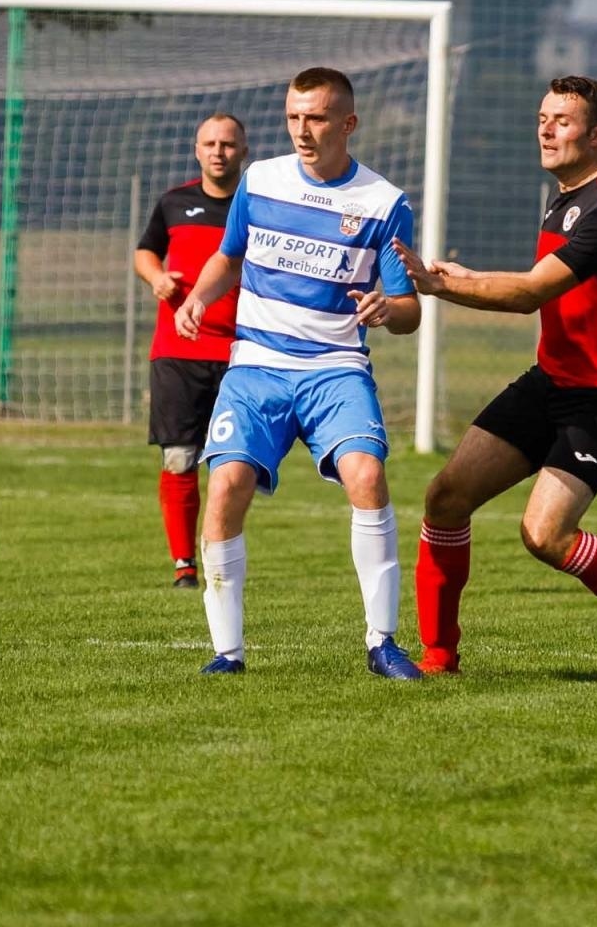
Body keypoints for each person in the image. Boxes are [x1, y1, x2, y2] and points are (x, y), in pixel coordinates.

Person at [391, 74, 597, 682]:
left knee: (544, 534)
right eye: (542, 117)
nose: (546, 128)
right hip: (554, 379)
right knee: (445, 497)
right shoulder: (566, 196)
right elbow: (536, 279)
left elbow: (531, 293)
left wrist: (441, 284)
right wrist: (466, 274)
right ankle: (438, 657)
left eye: (562, 121)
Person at [175, 66, 423, 679]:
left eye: (314, 118)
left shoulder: (384, 203)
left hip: (335, 369)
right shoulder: (258, 181)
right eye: (292, 117)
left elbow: (410, 308)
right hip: (257, 364)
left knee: (367, 474)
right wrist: (198, 298)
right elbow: (229, 256)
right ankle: (227, 653)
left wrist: (389, 309)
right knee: (227, 484)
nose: (302, 131)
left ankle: (382, 643)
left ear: (348, 123)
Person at [134, 113, 249, 589]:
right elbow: (145, 252)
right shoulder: (173, 202)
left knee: (234, 464)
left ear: (244, 151)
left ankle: (223, 556)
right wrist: (158, 278)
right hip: (178, 353)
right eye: (209, 143)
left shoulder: (259, 205)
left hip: (244, 353)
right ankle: (184, 566)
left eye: (227, 144)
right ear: (196, 149)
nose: (218, 151)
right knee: (179, 456)